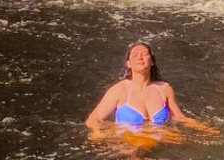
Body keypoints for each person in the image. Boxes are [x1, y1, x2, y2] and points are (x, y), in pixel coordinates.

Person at [85, 42, 216, 132]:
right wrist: (100, 135)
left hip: (159, 146)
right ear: (128, 64)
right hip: (128, 148)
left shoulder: (164, 88)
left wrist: (205, 129)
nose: (140, 57)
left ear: (152, 61)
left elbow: (179, 118)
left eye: (144, 54)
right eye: (135, 55)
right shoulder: (120, 90)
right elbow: (93, 120)